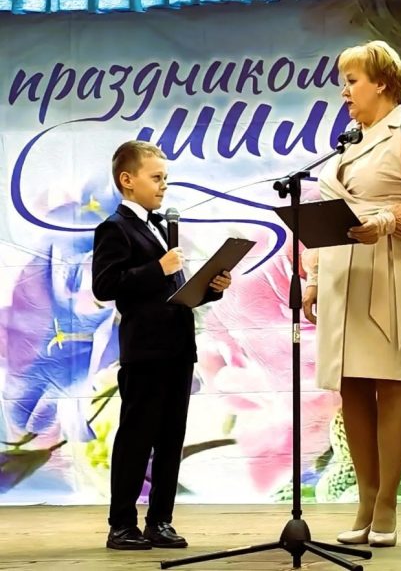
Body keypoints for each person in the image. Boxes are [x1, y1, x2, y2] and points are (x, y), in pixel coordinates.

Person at [301, 40, 401, 548]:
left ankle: (387, 503)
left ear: (381, 82)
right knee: (351, 386)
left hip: (388, 266)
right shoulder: (348, 142)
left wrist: (386, 221)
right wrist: (313, 276)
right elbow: (326, 215)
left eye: (352, 81)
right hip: (342, 272)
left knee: (391, 383)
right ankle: (364, 501)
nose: (345, 92)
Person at [92, 141, 232, 550]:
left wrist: (211, 288)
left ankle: (160, 520)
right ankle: (122, 524)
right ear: (127, 180)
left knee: (171, 438)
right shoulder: (115, 228)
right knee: (137, 437)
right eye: (156, 177)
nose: (164, 185)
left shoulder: (160, 227)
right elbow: (105, 285)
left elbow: (174, 292)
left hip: (177, 348)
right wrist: (158, 267)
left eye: (165, 178)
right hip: (145, 351)